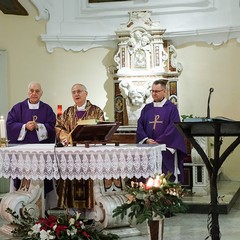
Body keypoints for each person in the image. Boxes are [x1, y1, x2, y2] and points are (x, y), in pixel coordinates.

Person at [6, 82, 57, 210]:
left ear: (41, 93)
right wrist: (24, 126)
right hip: (23, 154)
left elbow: (52, 127)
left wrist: (38, 126)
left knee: (43, 180)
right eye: (32, 90)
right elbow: (10, 124)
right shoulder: (18, 108)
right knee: (22, 179)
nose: (34, 93)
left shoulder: (47, 109)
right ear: (28, 92)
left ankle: (42, 208)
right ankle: (21, 208)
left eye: (37, 91)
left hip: (42, 154)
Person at [55, 83, 104, 211]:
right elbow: (59, 127)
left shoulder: (96, 111)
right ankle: (71, 211)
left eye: (79, 91)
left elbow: (102, 129)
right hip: (72, 154)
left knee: (88, 181)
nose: (76, 94)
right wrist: (66, 138)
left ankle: (90, 210)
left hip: (89, 155)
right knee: (72, 180)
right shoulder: (68, 112)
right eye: (73, 92)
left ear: (86, 94)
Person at [136, 79, 186, 183]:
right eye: (152, 91)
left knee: (164, 175)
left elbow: (174, 127)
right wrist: (146, 140)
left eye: (157, 91)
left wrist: (159, 141)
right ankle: (147, 193)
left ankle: (166, 195)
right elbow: (140, 125)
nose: (154, 94)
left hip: (165, 148)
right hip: (148, 148)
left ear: (164, 91)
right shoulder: (146, 108)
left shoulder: (172, 108)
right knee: (147, 175)